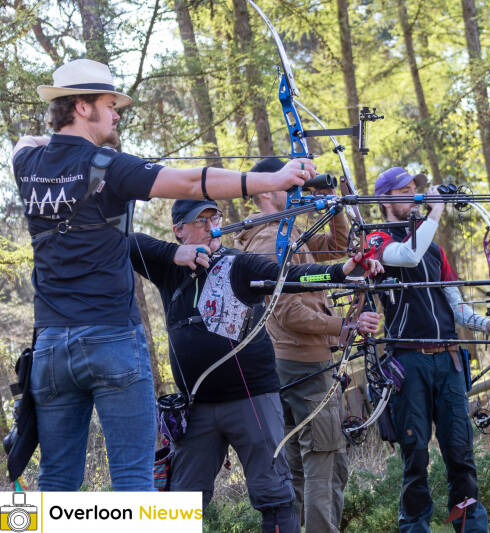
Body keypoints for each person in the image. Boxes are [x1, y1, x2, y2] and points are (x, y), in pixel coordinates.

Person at [10, 58, 317, 491]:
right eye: (109, 103)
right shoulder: (107, 165)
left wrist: (57, 140)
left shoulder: (27, 164)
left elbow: (27, 140)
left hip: (51, 349)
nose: (117, 113)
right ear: (81, 106)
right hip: (110, 339)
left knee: (55, 479)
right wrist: (270, 179)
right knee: (135, 479)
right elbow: (193, 184)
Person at [129, 198, 382, 533]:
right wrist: (177, 254)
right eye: (200, 220)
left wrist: (341, 271)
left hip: (251, 400)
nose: (210, 226)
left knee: (275, 497)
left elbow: (289, 277)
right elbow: (127, 242)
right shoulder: (168, 269)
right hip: (197, 408)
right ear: (179, 230)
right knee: (180, 504)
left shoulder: (240, 263)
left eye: (214, 217)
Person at [364, 167, 490, 533]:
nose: (416, 196)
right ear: (386, 199)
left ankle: (469, 525)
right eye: (406, 191)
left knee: (460, 453)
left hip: (448, 361)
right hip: (408, 362)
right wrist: (435, 210)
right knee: (415, 455)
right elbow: (407, 256)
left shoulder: (434, 249)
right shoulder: (376, 240)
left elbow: (457, 307)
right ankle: (415, 526)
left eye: (418, 190)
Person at [235, 158, 382, 533]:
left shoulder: (286, 232)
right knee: (325, 460)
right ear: (266, 191)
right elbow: (287, 312)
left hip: (295, 364)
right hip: (303, 364)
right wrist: (343, 326)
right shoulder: (272, 239)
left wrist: (331, 204)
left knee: (302, 465)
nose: (297, 193)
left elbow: (334, 246)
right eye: (290, 187)